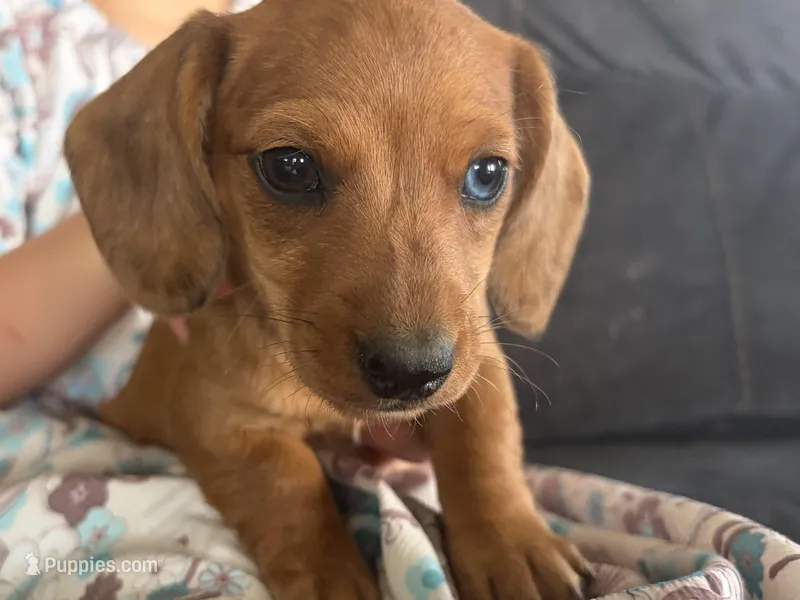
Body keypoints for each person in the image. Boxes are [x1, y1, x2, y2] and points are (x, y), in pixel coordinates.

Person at [0, 0, 426, 462]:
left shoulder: (327, 26)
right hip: (82, 463)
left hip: (326, 450)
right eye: (290, 168)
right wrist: (158, 216)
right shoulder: (22, 47)